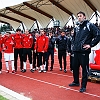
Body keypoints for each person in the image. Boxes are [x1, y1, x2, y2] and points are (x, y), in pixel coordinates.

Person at [69, 11, 100, 93]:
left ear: (84, 17)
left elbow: (98, 35)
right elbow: (74, 38)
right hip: (76, 51)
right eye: (78, 16)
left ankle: (83, 86)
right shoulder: (77, 27)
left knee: (84, 69)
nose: (79, 17)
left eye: (80, 16)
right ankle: (76, 82)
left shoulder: (90, 25)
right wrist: (73, 47)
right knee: (75, 67)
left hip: (84, 52)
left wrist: (90, 44)